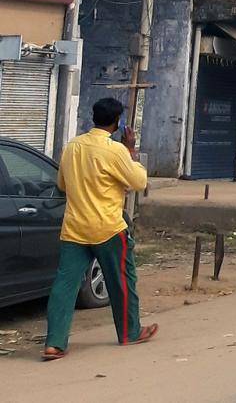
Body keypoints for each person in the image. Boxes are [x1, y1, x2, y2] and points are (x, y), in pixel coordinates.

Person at [42, 97, 158, 361]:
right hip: (107, 227)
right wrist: (130, 151)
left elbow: (62, 183)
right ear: (117, 123)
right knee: (122, 282)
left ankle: (54, 343)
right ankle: (130, 332)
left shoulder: (72, 146)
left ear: (92, 118)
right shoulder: (115, 150)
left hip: (74, 227)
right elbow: (139, 181)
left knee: (64, 284)